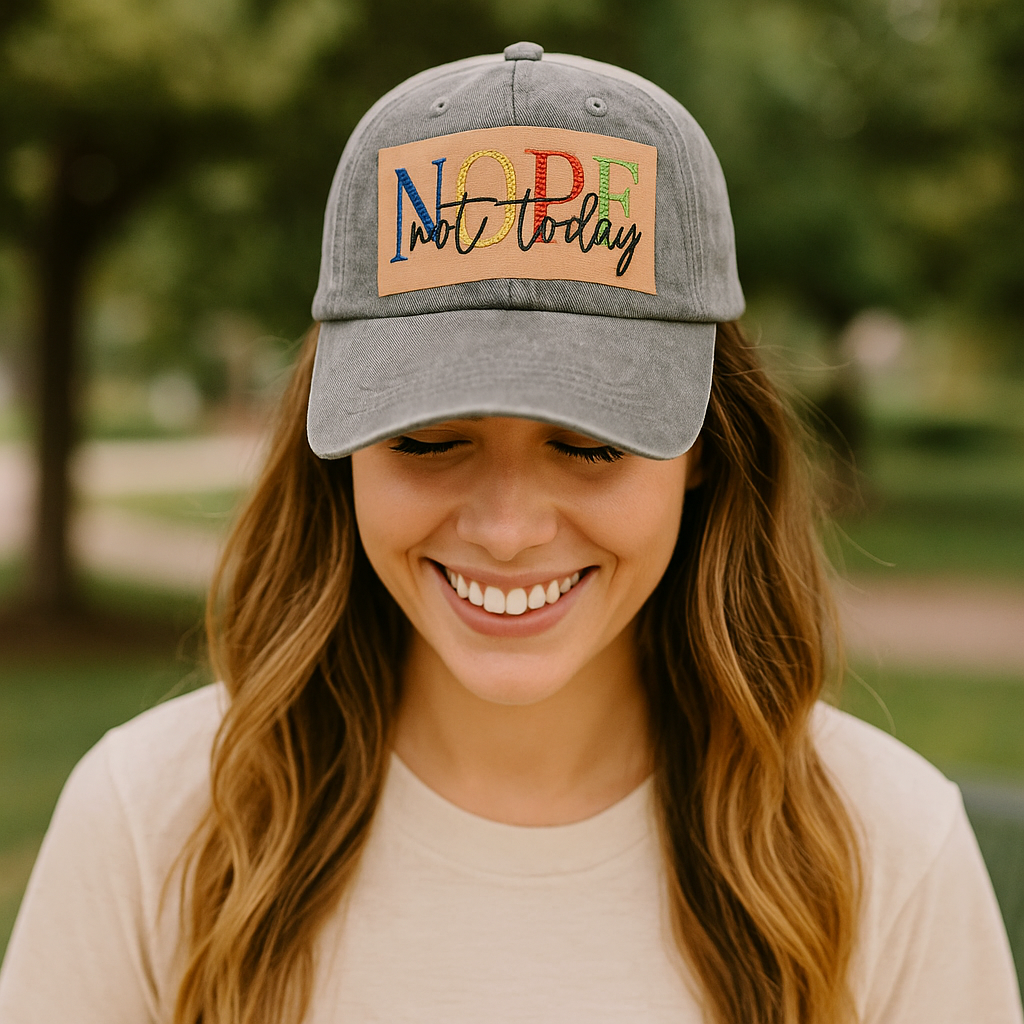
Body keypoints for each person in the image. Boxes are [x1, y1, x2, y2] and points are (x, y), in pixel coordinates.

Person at [0, 42, 1020, 1024]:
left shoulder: (886, 846)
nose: (506, 527)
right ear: (337, 448)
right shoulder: (151, 823)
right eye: (429, 440)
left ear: (706, 446)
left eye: (589, 446)